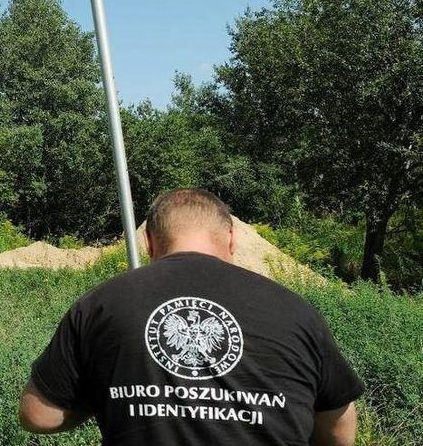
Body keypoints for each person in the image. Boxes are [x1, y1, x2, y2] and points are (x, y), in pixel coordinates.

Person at [20, 188, 363, 446]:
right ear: (231, 239)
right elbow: (340, 429)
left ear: (150, 243)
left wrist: (110, 399)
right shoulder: (295, 310)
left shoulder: (100, 304)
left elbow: (39, 414)